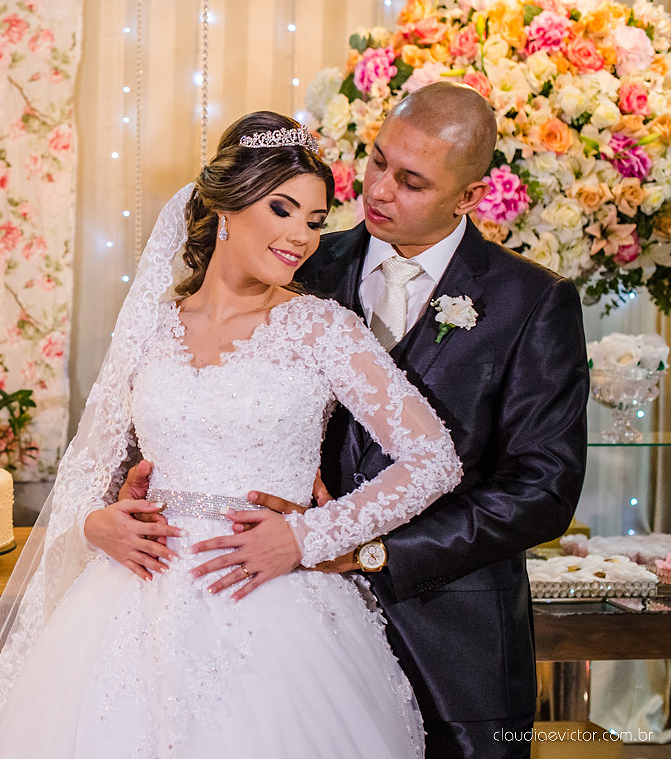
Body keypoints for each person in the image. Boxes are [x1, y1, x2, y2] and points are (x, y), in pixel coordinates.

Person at [0, 111, 463, 759]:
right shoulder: (152, 328)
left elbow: (433, 459)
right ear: (227, 208)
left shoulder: (323, 329)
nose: (301, 237)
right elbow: (90, 466)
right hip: (128, 602)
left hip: (272, 607)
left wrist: (306, 536)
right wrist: (96, 523)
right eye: (283, 209)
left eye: (315, 221)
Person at [151, 83, 587, 759]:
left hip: (454, 632)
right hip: (280, 624)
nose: (379, 189)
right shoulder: (298, 258)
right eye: (378, 160)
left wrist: (365, 548)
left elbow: (542, 491)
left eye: (411, 181)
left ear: (469, 197)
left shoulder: (532, 302)